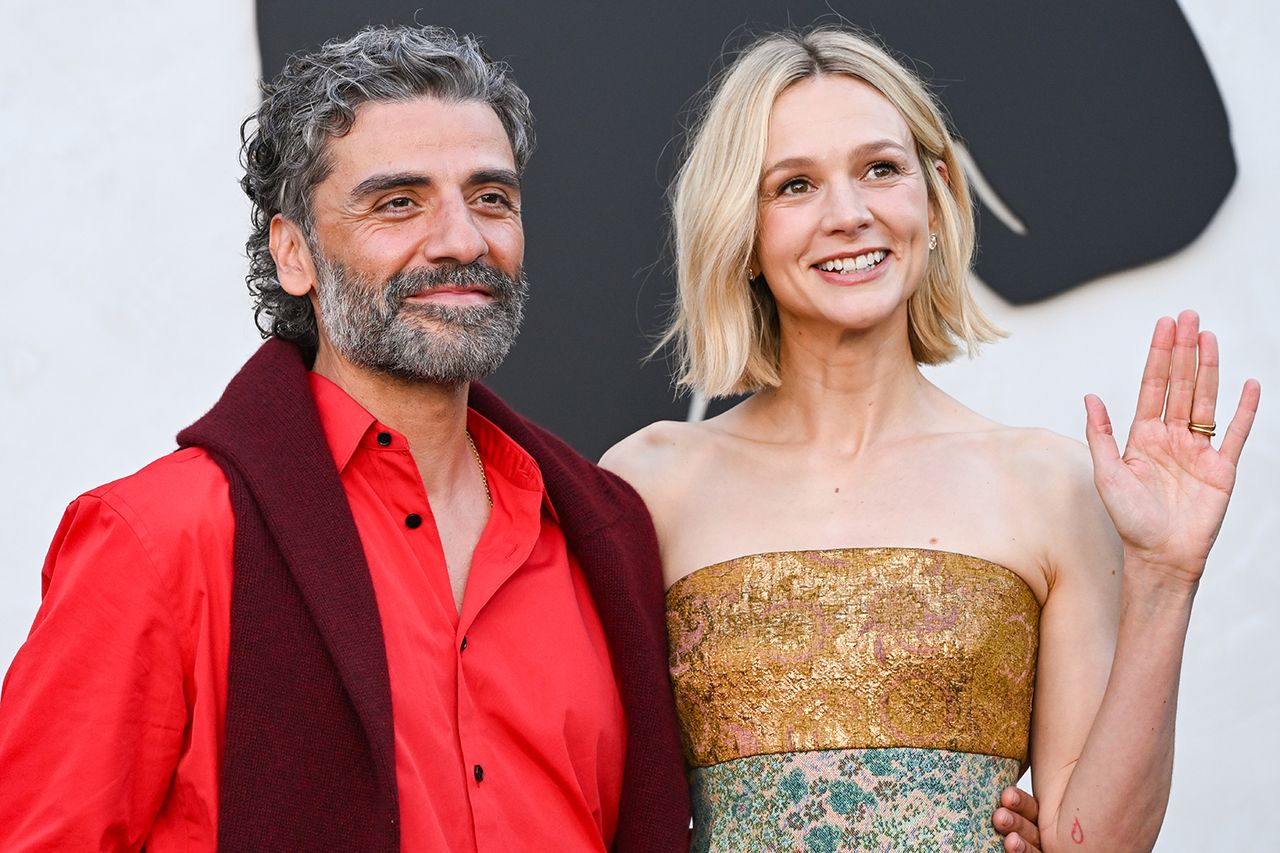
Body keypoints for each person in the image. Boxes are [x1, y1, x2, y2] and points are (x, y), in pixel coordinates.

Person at [0, 26, 692, 852]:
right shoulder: (161, 538)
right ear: (294, 252)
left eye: (491, 197)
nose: (461, 240)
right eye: (398, 202)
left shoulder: (601, 532)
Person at [602, 27, 1260, 853]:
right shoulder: (646, 486)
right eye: (795, 185)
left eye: (881, 168)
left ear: (936, 195)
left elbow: (1095, 845)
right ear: (741, 230)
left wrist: (1165, 577)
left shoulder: (1048, 483)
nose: (849, 215)